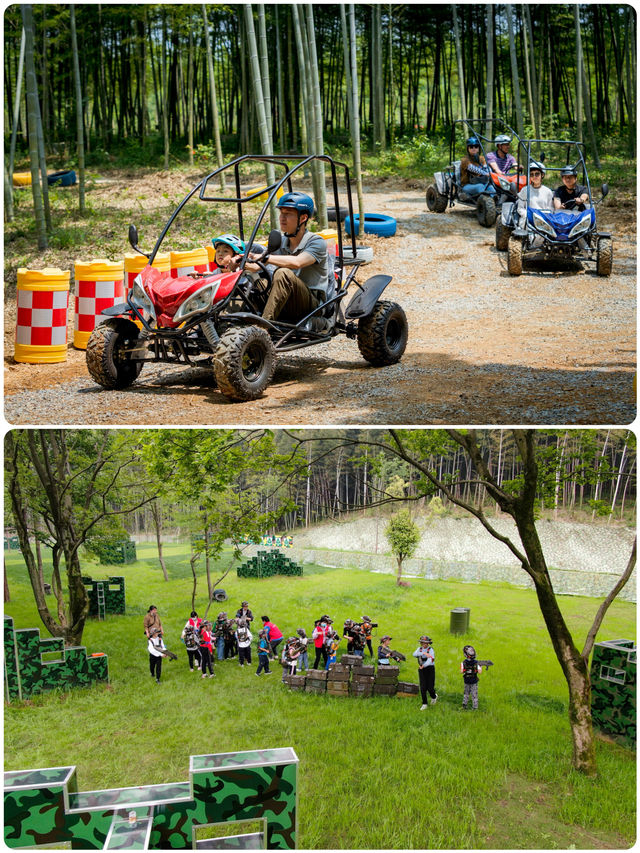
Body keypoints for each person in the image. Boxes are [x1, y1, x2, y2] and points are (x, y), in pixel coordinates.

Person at [236, 192, 330, 325]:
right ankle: (237, 321)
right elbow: (258, 267)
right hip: (286, 300)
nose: (282, 218)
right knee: (255, 281)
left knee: (283, 273)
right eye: (281, 213)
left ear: (303, 218)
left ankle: (263, 327)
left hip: (311, 305)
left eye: (288, 214)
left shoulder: (316, 242)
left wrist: (265, 258)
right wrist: (244, 262)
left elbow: (297, 263)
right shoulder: (282, 241)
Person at [516, 160, 554, 228]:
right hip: (528, 220)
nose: (534, 176)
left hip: (544, 220)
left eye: (537, 174)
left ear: (542, 175)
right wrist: (528, 215)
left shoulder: (548, 191)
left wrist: (543, 217)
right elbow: (520, 208)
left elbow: (551, 209)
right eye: (531, 174)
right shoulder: (525, 190)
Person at [413, 635, 437, 710]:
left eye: (426, 643)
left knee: (430, 687)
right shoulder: (419, 649)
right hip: (421, 669)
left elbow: (431, 660)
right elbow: (414, 654)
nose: (424, 644)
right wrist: (423, 654)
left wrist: (424, 665)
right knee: (423, 687)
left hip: (430, 669)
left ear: (428, 643)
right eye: (422, 643)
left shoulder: (431, 650)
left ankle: (434, 697)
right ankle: (424, 703)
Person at [461, 644, 483, 710]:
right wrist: (480, 667)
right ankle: (475, 707)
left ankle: (464, 705)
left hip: (466, 680)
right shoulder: (477, 663)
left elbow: (461, 671)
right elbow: (480, 672)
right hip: (474, 681)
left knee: (466, 693)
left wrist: (467, 670)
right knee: (474, 695)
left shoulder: (463, 662)